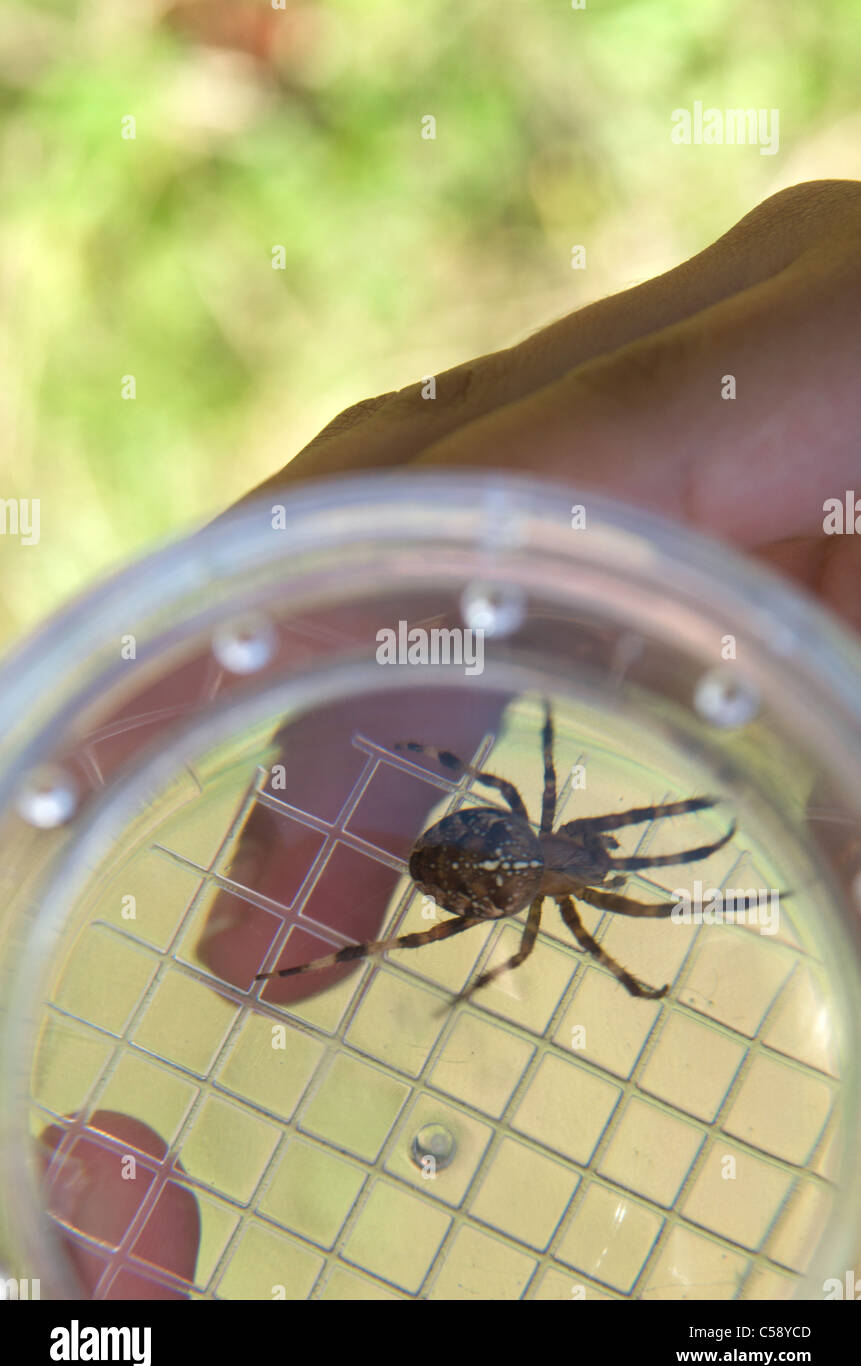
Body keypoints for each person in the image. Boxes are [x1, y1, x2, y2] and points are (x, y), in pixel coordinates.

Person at [39, 180, 861, 1297]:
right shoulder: (553, 876)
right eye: (599, 860)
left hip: (487, 864)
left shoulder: (548, 874)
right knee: (482, 887)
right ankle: (332, 941)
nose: (602, 859)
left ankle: (329, 939)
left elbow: (590, 908)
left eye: (598, 865)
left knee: (469, 893)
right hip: (485, 864)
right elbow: (603, 911)